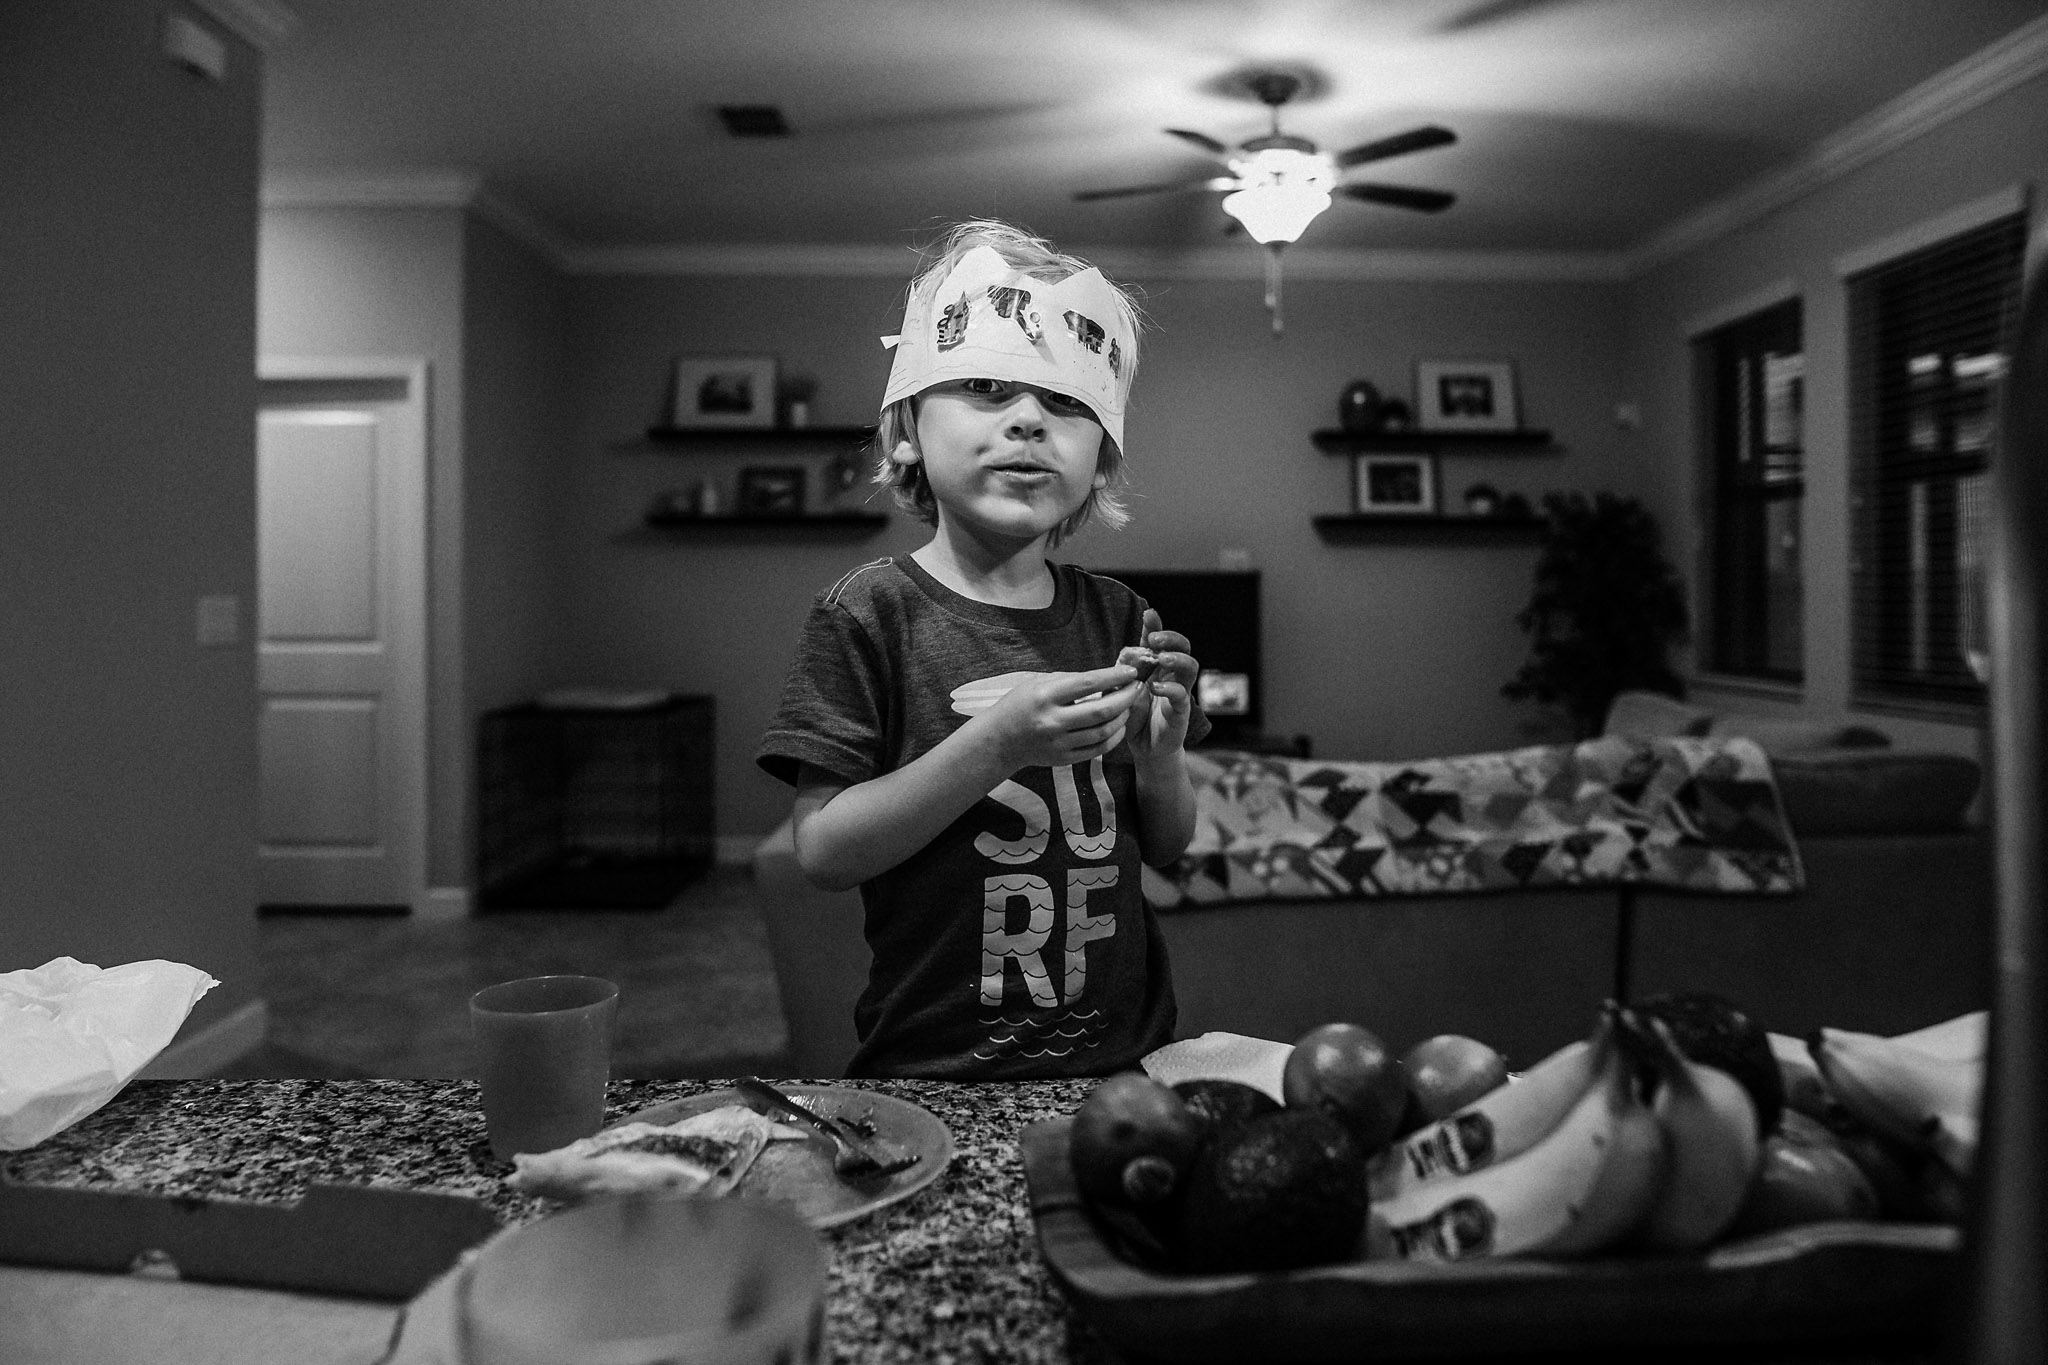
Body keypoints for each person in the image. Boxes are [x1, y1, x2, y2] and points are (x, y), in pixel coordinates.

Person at [756, 219, 1207, 1079]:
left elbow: (1169, 844)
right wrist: (997, 742)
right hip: (937, 1065)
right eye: (988, 387)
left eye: (1069, 403)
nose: (1031, 419)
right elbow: (821, 851)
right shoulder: (869, 613)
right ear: (907, 433)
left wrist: (1161, 760)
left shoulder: (1120, 615)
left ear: (1100, 460)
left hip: (1123, 1056)